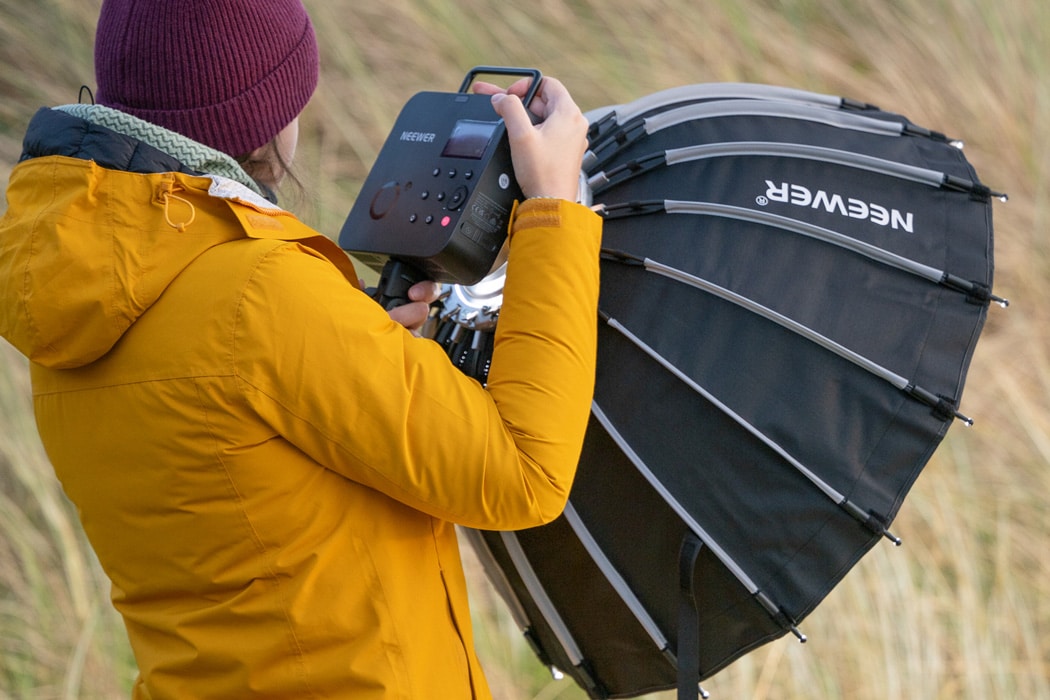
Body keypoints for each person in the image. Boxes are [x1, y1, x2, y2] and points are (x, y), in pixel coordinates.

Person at [0, 1, 600, 698]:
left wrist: (361, 348)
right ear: (264, 112)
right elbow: (523, 473)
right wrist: (555, 207)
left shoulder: (79, 286)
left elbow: (244, 477)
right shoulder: (260, 291)